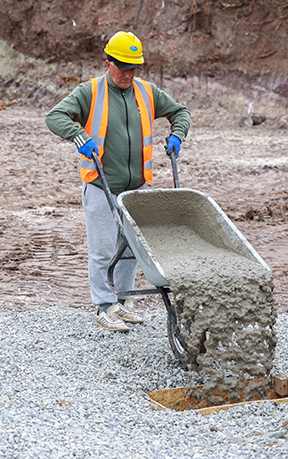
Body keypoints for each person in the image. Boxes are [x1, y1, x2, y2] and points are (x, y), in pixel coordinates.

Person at [45, 31, 190, 332]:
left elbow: (180, 111)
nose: (129, 74)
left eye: (134, 67)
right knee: (103, 249)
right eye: (123, 66)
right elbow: (55, 116)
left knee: (131, 249)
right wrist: (78, 136)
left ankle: (124, 303)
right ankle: (104, 306)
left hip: (137, 187)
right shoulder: (90, 92)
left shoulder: (146, 92)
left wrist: (177, 133)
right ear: (108, 62)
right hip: (101, 185)